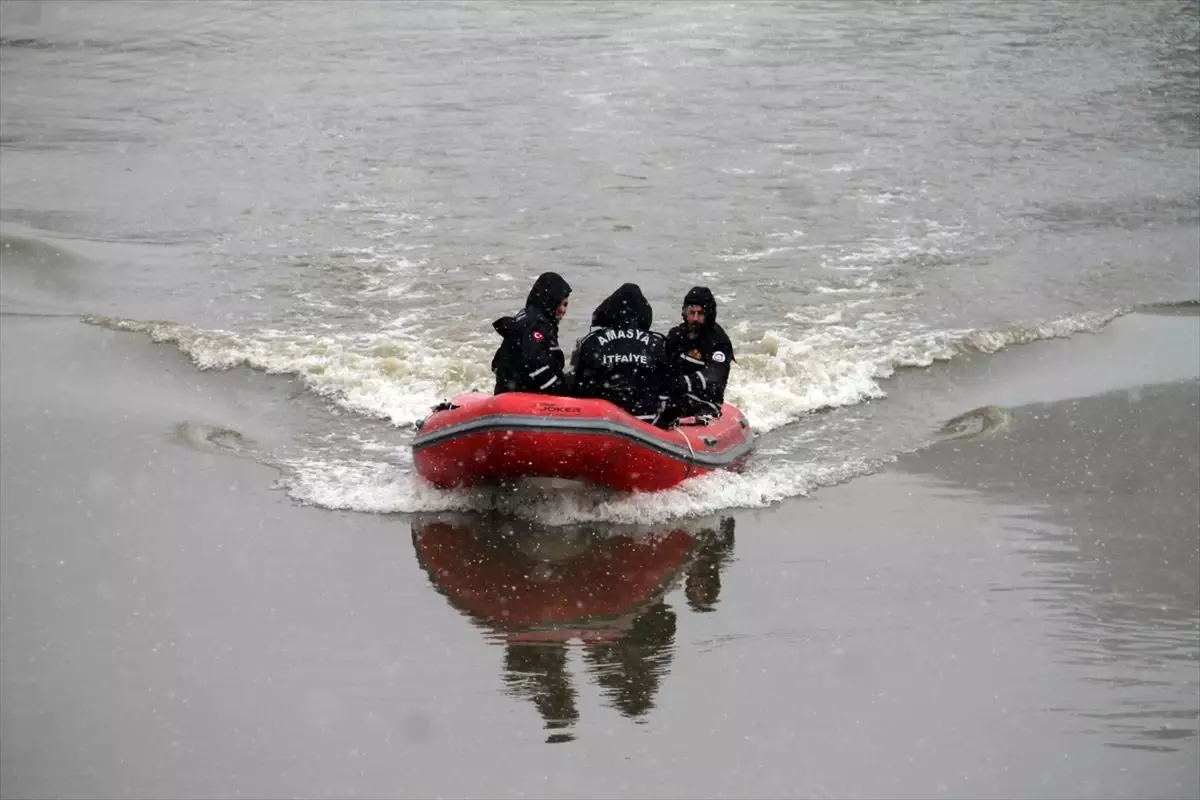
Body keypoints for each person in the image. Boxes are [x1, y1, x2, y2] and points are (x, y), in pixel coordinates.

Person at [570, 283, 671, 425]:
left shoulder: (591, 342)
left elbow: (578, 384)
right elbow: (671, 386)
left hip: (601, 422)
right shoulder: (658, 343)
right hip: (648, 422)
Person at [491, 271, 572, 395]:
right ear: (549, 301)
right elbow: (536, 363)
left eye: (566, 305)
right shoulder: (534, 326)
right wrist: (565, 391)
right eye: (560, 304)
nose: (563, 311)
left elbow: (497, 363)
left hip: (509, 391)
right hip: (520, 398)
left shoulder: (528, 318)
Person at [664, 286, 735, 420]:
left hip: (705, 403)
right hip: (675, 395)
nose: (695, 319)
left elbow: (715, 376)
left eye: (700, 313)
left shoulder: (718, 341)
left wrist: (679, 383)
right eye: (692, 313)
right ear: (685, 313)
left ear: (709, 315)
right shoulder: (676, 335)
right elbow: (663, 364)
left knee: (668, 406)